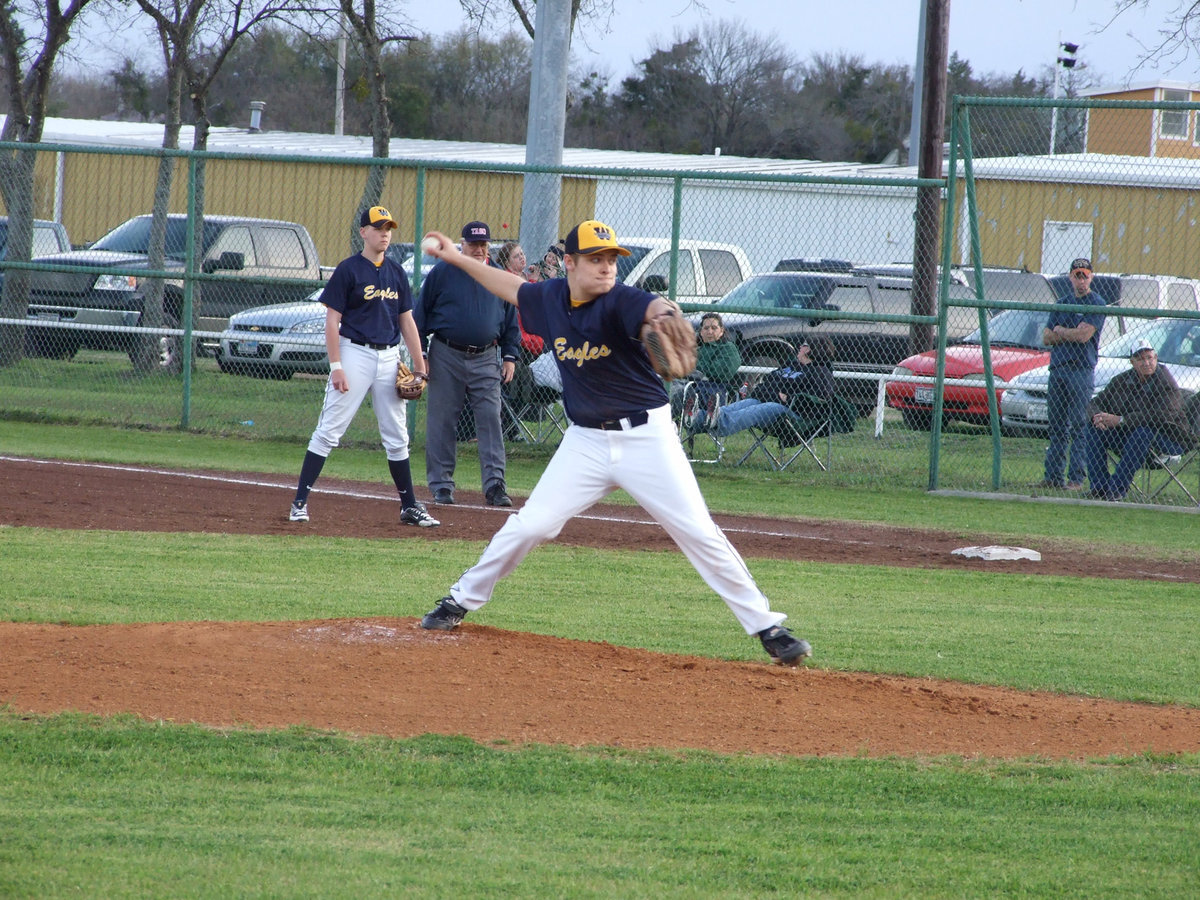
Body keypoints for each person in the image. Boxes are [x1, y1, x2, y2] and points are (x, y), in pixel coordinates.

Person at [415, 219, 812, 665]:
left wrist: (666, 316)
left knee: (698, 531)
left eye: (611, 259)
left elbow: (654, 308)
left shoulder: (622, 300)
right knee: (530, 526)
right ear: (569, 263)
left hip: (647, 438)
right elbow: (510, 286)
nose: (607, 267)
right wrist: (454, 257)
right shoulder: (550, 298)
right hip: (585, 442)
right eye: (595, 259)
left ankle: (768, 627)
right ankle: (459, 600)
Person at [289, 206, 439, 528]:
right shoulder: (349, 270)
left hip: (389, 357)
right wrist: (336, 366)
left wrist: (420, 364)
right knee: (329, 430)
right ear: (363, 232)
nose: (385, 234)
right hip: (354, 353)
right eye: (378, 228)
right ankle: (299, 502)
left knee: (397, 436)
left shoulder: (396, 272)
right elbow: (332, 321)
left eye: (388, 228)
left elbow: (406, 321)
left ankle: (409, 506)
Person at [414, 221, 521, 507]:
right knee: (442, 420)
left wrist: (510, 356)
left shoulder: (498, 275)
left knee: (490, 418)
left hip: (486, 357)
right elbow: (419, 317)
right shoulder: (442, 273)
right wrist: (420, 355)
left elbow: (511, 322)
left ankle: (495, 485)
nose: (479, 249)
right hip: (446, 354)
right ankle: (441, 485)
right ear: (462, 245)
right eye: (473, 244)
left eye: (483, 244)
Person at [1082, 338, 1192, 501]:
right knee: (1093, 430)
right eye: (1140, 359)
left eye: (1149, 358)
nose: (1146, 363)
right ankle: (1099, 488)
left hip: (1170, 439)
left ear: (1156, 358)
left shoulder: (1165, 381)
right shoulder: (1121, 380)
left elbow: (1164, 416)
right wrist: (1097, 417)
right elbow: (1095, 402)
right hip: (1132, 437)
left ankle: (1116, 490)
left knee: (1143, 432)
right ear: (1132, 362)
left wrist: (1121, 420)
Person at [1038, 257, 1108, 491]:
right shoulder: (1062, 303)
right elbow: (1046, 337)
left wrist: (1060, 330)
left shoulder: (1096, 303)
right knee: (1057, 426)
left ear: (1091, 277)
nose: (1081, 280)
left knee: (1079, 424)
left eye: (1084, 276)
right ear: (1070, 277)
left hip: (1081, 370)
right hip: (1058, 368)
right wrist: (1068, 333)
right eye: (1077, 276)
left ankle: (1076, 479)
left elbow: (1083, 336)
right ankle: (1053, 477)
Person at [711, 336, 835, 438]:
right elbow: (767, 383)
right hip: (770, 400)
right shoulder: (791, 365)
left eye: (803, 345)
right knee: (750, 402)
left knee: (762, 408)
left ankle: (719, 423)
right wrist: (778, 395)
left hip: (794, 415)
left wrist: (789, 398)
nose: (799, 347)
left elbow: (821, 397)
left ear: (810, 349)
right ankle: (707, 417)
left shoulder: (821, 372)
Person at [673, 312, 742, 433]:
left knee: (680, 392)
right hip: (687, 384)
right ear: (701, 332)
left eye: (714, 328)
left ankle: (664, 420)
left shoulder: (728, 348)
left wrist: (693, 364)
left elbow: (721, 372)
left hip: (713, 391)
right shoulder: (696, 348)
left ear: (721, 331)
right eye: (706, 328)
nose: (709, 332)